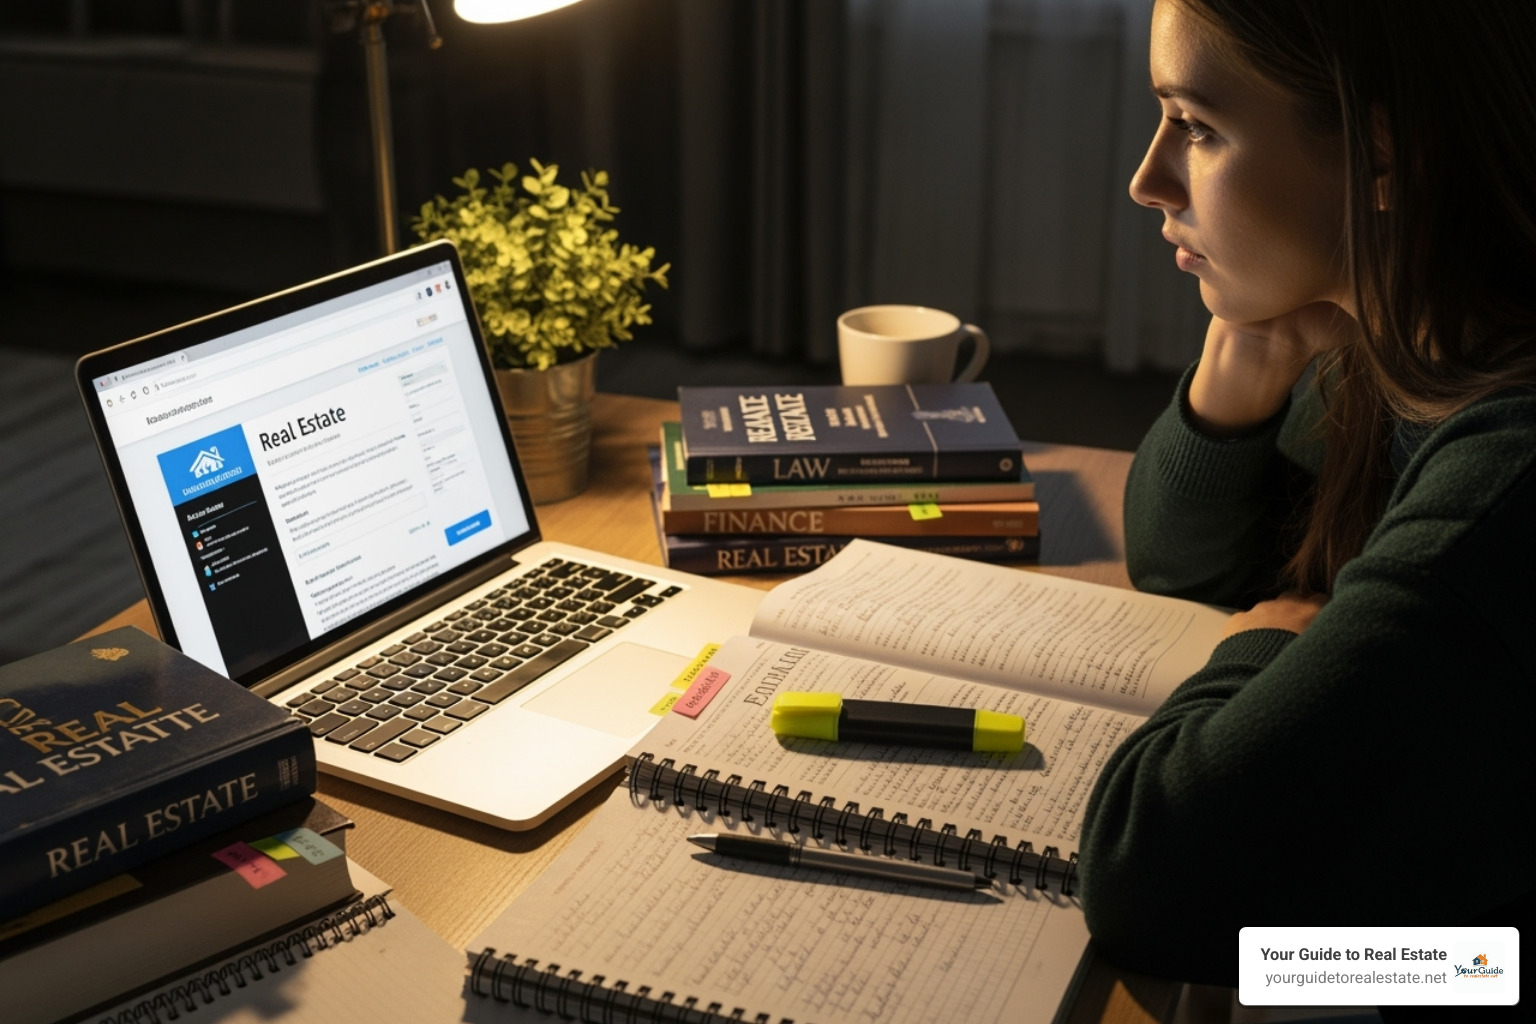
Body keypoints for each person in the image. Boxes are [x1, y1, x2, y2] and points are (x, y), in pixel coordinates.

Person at [1076, 0, 1535, 996]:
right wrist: (1240, 360)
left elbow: (1147, 877)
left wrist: (1264, 645)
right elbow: (1184, 567)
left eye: (1197, 127)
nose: (1149, 180)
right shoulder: (1413, 343)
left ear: (1383, 154)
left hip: (1478, 973)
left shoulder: (1505, 486)